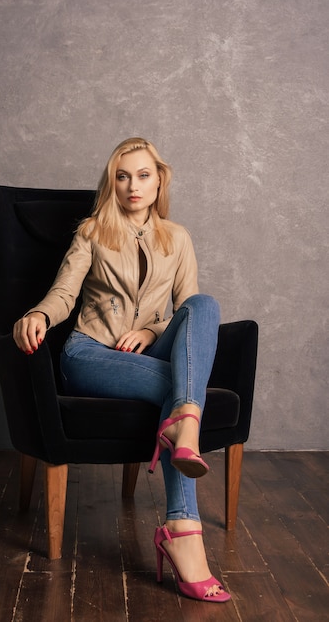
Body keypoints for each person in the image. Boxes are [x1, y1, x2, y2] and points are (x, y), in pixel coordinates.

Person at [13, 137, 231, 603]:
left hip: (146, 353)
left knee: (204, 304)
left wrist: (152, 333)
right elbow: (64, 293)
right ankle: (183, 529)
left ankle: (183, 421)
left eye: (144, 175)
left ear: (159, 180)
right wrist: (38, 315)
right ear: (112, 181)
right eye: (123, 175)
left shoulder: (178, 238)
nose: (134, 185)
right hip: (90, 354)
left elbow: (184, 313)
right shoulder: (92, 231)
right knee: (177, 390)